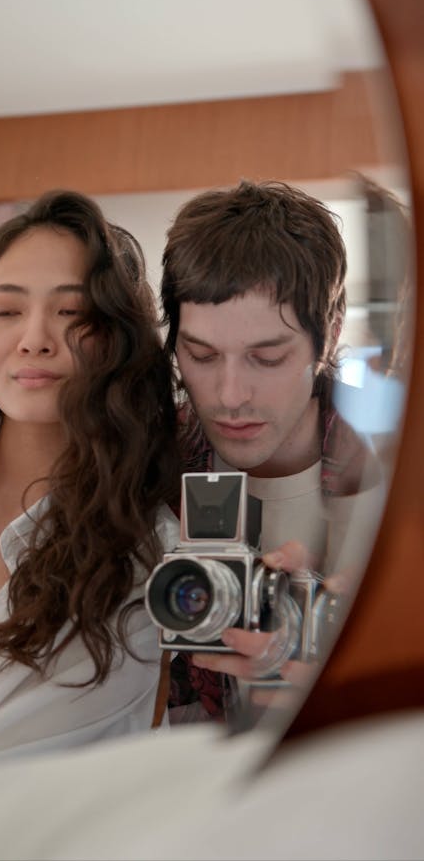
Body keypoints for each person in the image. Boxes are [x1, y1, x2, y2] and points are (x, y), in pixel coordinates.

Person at [0, 189, 181, 775]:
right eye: (7, 310)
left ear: (118, 340)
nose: (34, 338)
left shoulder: (148, 561)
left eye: (72, 314)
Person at [160, 179, 385, 722]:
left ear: (328, 335)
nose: (231, 395)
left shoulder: (395, 480)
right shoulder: (146, 469)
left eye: (267, 357)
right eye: (202, 355)